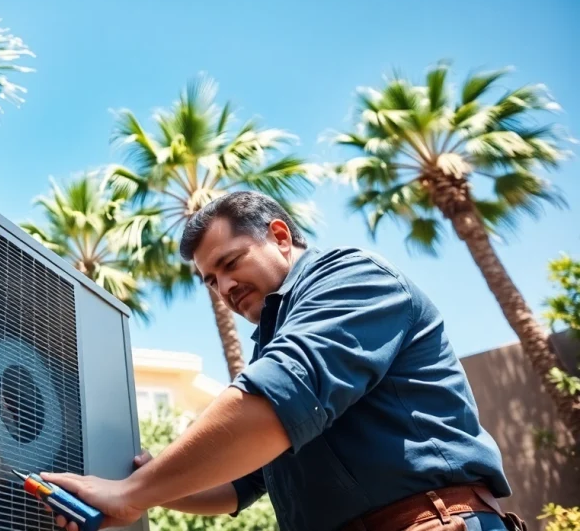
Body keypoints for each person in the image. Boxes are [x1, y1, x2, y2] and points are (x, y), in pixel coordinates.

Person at [40, 190, 526, 531]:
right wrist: (144, 482)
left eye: (230, 264)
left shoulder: (353, 278)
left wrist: (130, 494)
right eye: (210, 280)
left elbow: (278, 399)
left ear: (279, 235)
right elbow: (239, 485)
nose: (224, 288)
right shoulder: (271, 342)